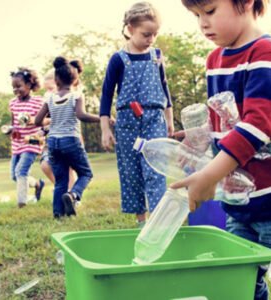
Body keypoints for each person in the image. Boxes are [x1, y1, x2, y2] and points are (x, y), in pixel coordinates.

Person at [173, 1, 271, 299]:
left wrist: (208, 176)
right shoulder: (215, 60)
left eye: (210, 11)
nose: (203, 23)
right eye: (196, 15)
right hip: (237, 203)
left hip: (270, 201)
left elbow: (259, 125)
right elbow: (225, 119)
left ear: (246, 3)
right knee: (238, 280)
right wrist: (199, 139)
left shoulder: (264, 54)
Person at [100, 1, 174, 227]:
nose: (151, 39)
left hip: (154, 119)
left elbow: (165, 89)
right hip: (127, 123)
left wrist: (169, 120)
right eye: (146, 34)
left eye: (154, 34)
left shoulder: (156, 56)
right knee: (131, 171)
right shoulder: (118, 59)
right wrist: (105, 129)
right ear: (130, 29)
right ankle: (141, 220)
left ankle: (158, 220)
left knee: (155, 170)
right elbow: (106, 95)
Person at [35, 56, 100, 219]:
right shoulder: (76, 96)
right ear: (75, 79)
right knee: (86, 174)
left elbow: (37, 121)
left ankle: (58, 214)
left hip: (53, 143)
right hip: (70, 140)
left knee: (60, 180)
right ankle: (73, 195)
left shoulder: (49, 98)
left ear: (56, 79)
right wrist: (102, 118)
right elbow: (81, 115)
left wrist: (51, 122)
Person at [9, 68, 45, 208]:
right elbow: (14, 124)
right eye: (13, 87)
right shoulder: (12, 103)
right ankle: (37, 184)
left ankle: (21, 203)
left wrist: (34, 121)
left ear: (29, 85)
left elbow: (47, 119)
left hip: (33, 141)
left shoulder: (39, 101)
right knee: (14, 176)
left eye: (19, 86)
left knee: (21, 172)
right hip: (17, 143)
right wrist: (12, 130)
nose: (16, 90)